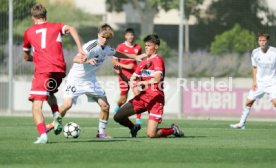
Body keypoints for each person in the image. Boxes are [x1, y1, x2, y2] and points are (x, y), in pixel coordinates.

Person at [46, 23, 144, 138]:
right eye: (102, 37)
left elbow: (117, 53)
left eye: (107, 38)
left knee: (105, 106)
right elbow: (75, 58)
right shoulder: (90, 46)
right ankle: (52, 124)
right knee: (67, 105)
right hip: (75, 79)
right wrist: (86, 61)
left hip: (90, 80)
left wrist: (135, 57)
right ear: (98, 35)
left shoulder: (106, 49)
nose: (104, 40)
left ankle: (101, 133)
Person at [23, 4, 84, 144]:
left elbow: (26, 57)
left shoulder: (29, 32)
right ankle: (56, 114)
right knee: (49, 93)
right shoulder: (56, 26)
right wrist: (80, 49)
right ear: (46, 16)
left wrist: (37, 57)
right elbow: (71, 28)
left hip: (43, 70)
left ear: (33, 18)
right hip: (59, 70)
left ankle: (43, 135)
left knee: (36, 105)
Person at [113, 34, 184, 138]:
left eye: (149, 45)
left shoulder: (157, 60)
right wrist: (121, 73)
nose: (146, 47)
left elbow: (157, 79)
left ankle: (173, 130)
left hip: (156, 99)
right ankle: (133, 127)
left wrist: (140, 83)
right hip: (142, 98)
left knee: (151, 134)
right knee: (118, 117)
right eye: (145, 45)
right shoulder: (142, 63)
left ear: (156, 47)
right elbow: (131, 81)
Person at [230, 32, 276, 129]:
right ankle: (241, 124)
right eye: (260, 40)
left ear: (267, 41)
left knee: (275, 103)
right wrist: (254, 81)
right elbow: (254, 67)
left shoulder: (274, 52)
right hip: (259, 83)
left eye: (264, 40)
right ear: (258, 41)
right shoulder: (255, 52)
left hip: (272, 83)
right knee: (248, 102)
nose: (262, 42)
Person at [112, 28, 143, 125]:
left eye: (132, 35)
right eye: (128, 35)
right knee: (123, 99)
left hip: (134, 75)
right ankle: (117, 109)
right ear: (125, 36)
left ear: (134, 36)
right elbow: (114, 60)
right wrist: (126, 66)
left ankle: (138, 119)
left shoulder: (138, 47)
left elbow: (140, 60)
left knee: (137, 95)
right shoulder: (120, 47)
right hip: (123, 75)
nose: (130, 37)